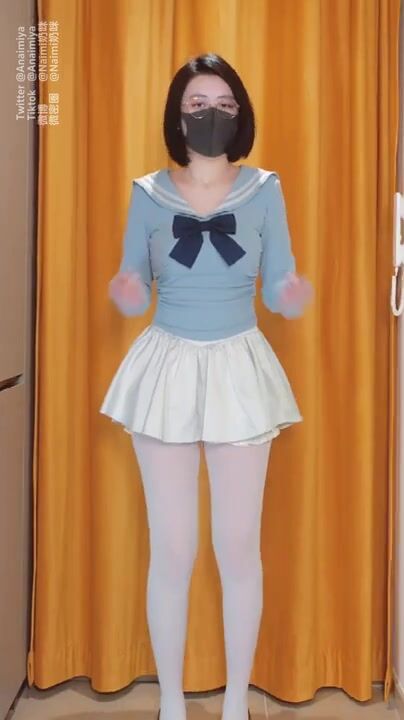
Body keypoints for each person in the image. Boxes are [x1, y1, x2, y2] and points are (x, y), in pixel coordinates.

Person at [100, 53, 313, 720]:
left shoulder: (266, 189)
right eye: (197, 103)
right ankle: (170, 703)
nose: (210, 113)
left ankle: (234, 704)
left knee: (238, 547)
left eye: (223, 102)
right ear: (177, 115)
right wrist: (125, 290)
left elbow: (278, 284)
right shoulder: (146, 193)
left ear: (241, 114)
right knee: (172, 549)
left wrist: (290, 292)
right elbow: (133, 289)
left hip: (239, 370)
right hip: (165, 368)